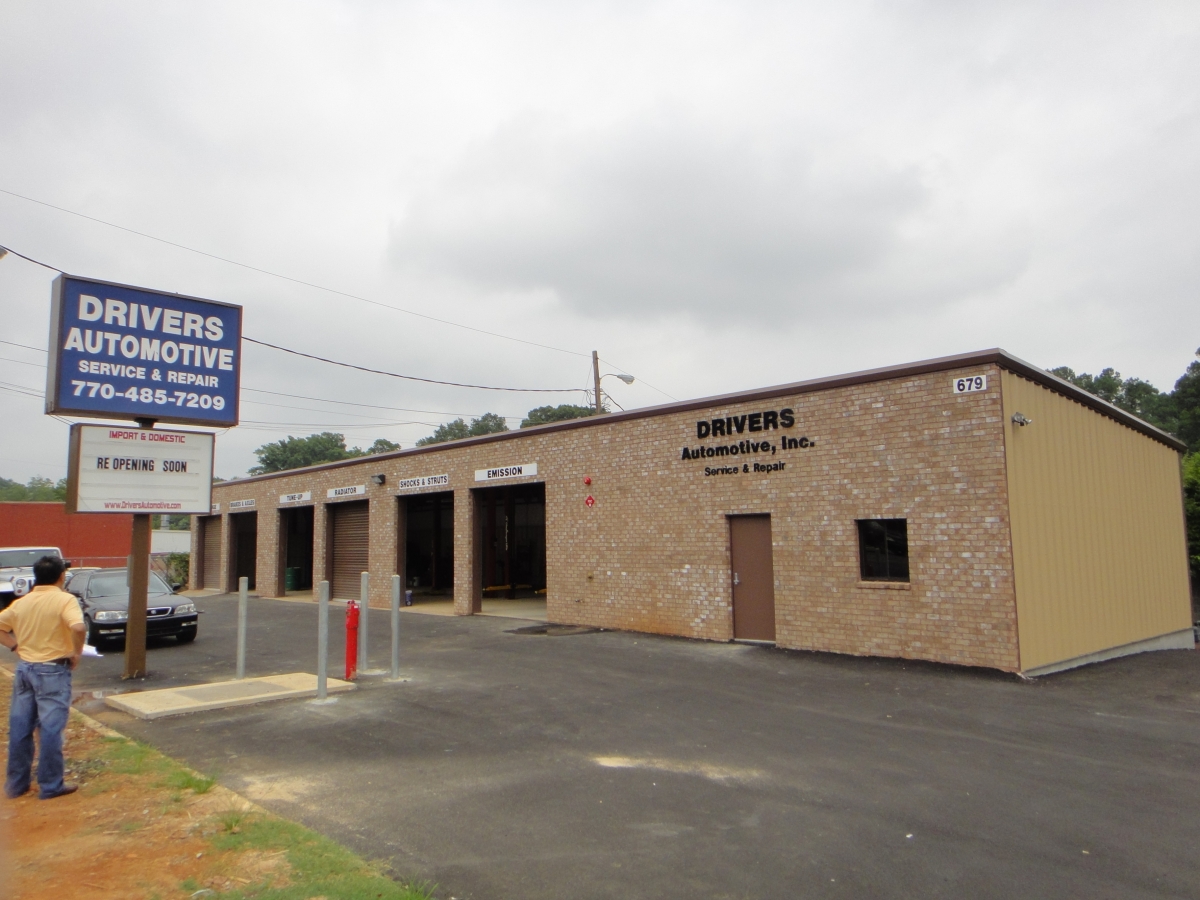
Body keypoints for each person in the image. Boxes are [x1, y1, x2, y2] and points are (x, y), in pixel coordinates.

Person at [0, 555, 86, 800]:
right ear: (61, 576)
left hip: (25, 669)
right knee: (50, 729)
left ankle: (16, 785)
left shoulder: (21, 603)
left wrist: (15, 647)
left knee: (20, 727)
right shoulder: (64, 599)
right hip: (53, 670)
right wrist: (76, 652)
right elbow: (78, 627)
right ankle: (50, 785)